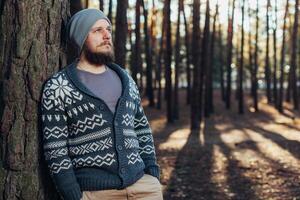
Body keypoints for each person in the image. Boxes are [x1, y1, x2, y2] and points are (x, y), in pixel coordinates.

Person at [40, 8, 163, 200]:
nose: (106, 35)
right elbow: (55, 150)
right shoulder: (59, 87)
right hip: (95, 193)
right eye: (97, 30)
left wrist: (152, 173)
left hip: (144, 187)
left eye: (108, 29)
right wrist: (73, 195)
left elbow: (142, 129)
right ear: (81, 38)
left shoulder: (126, 80)